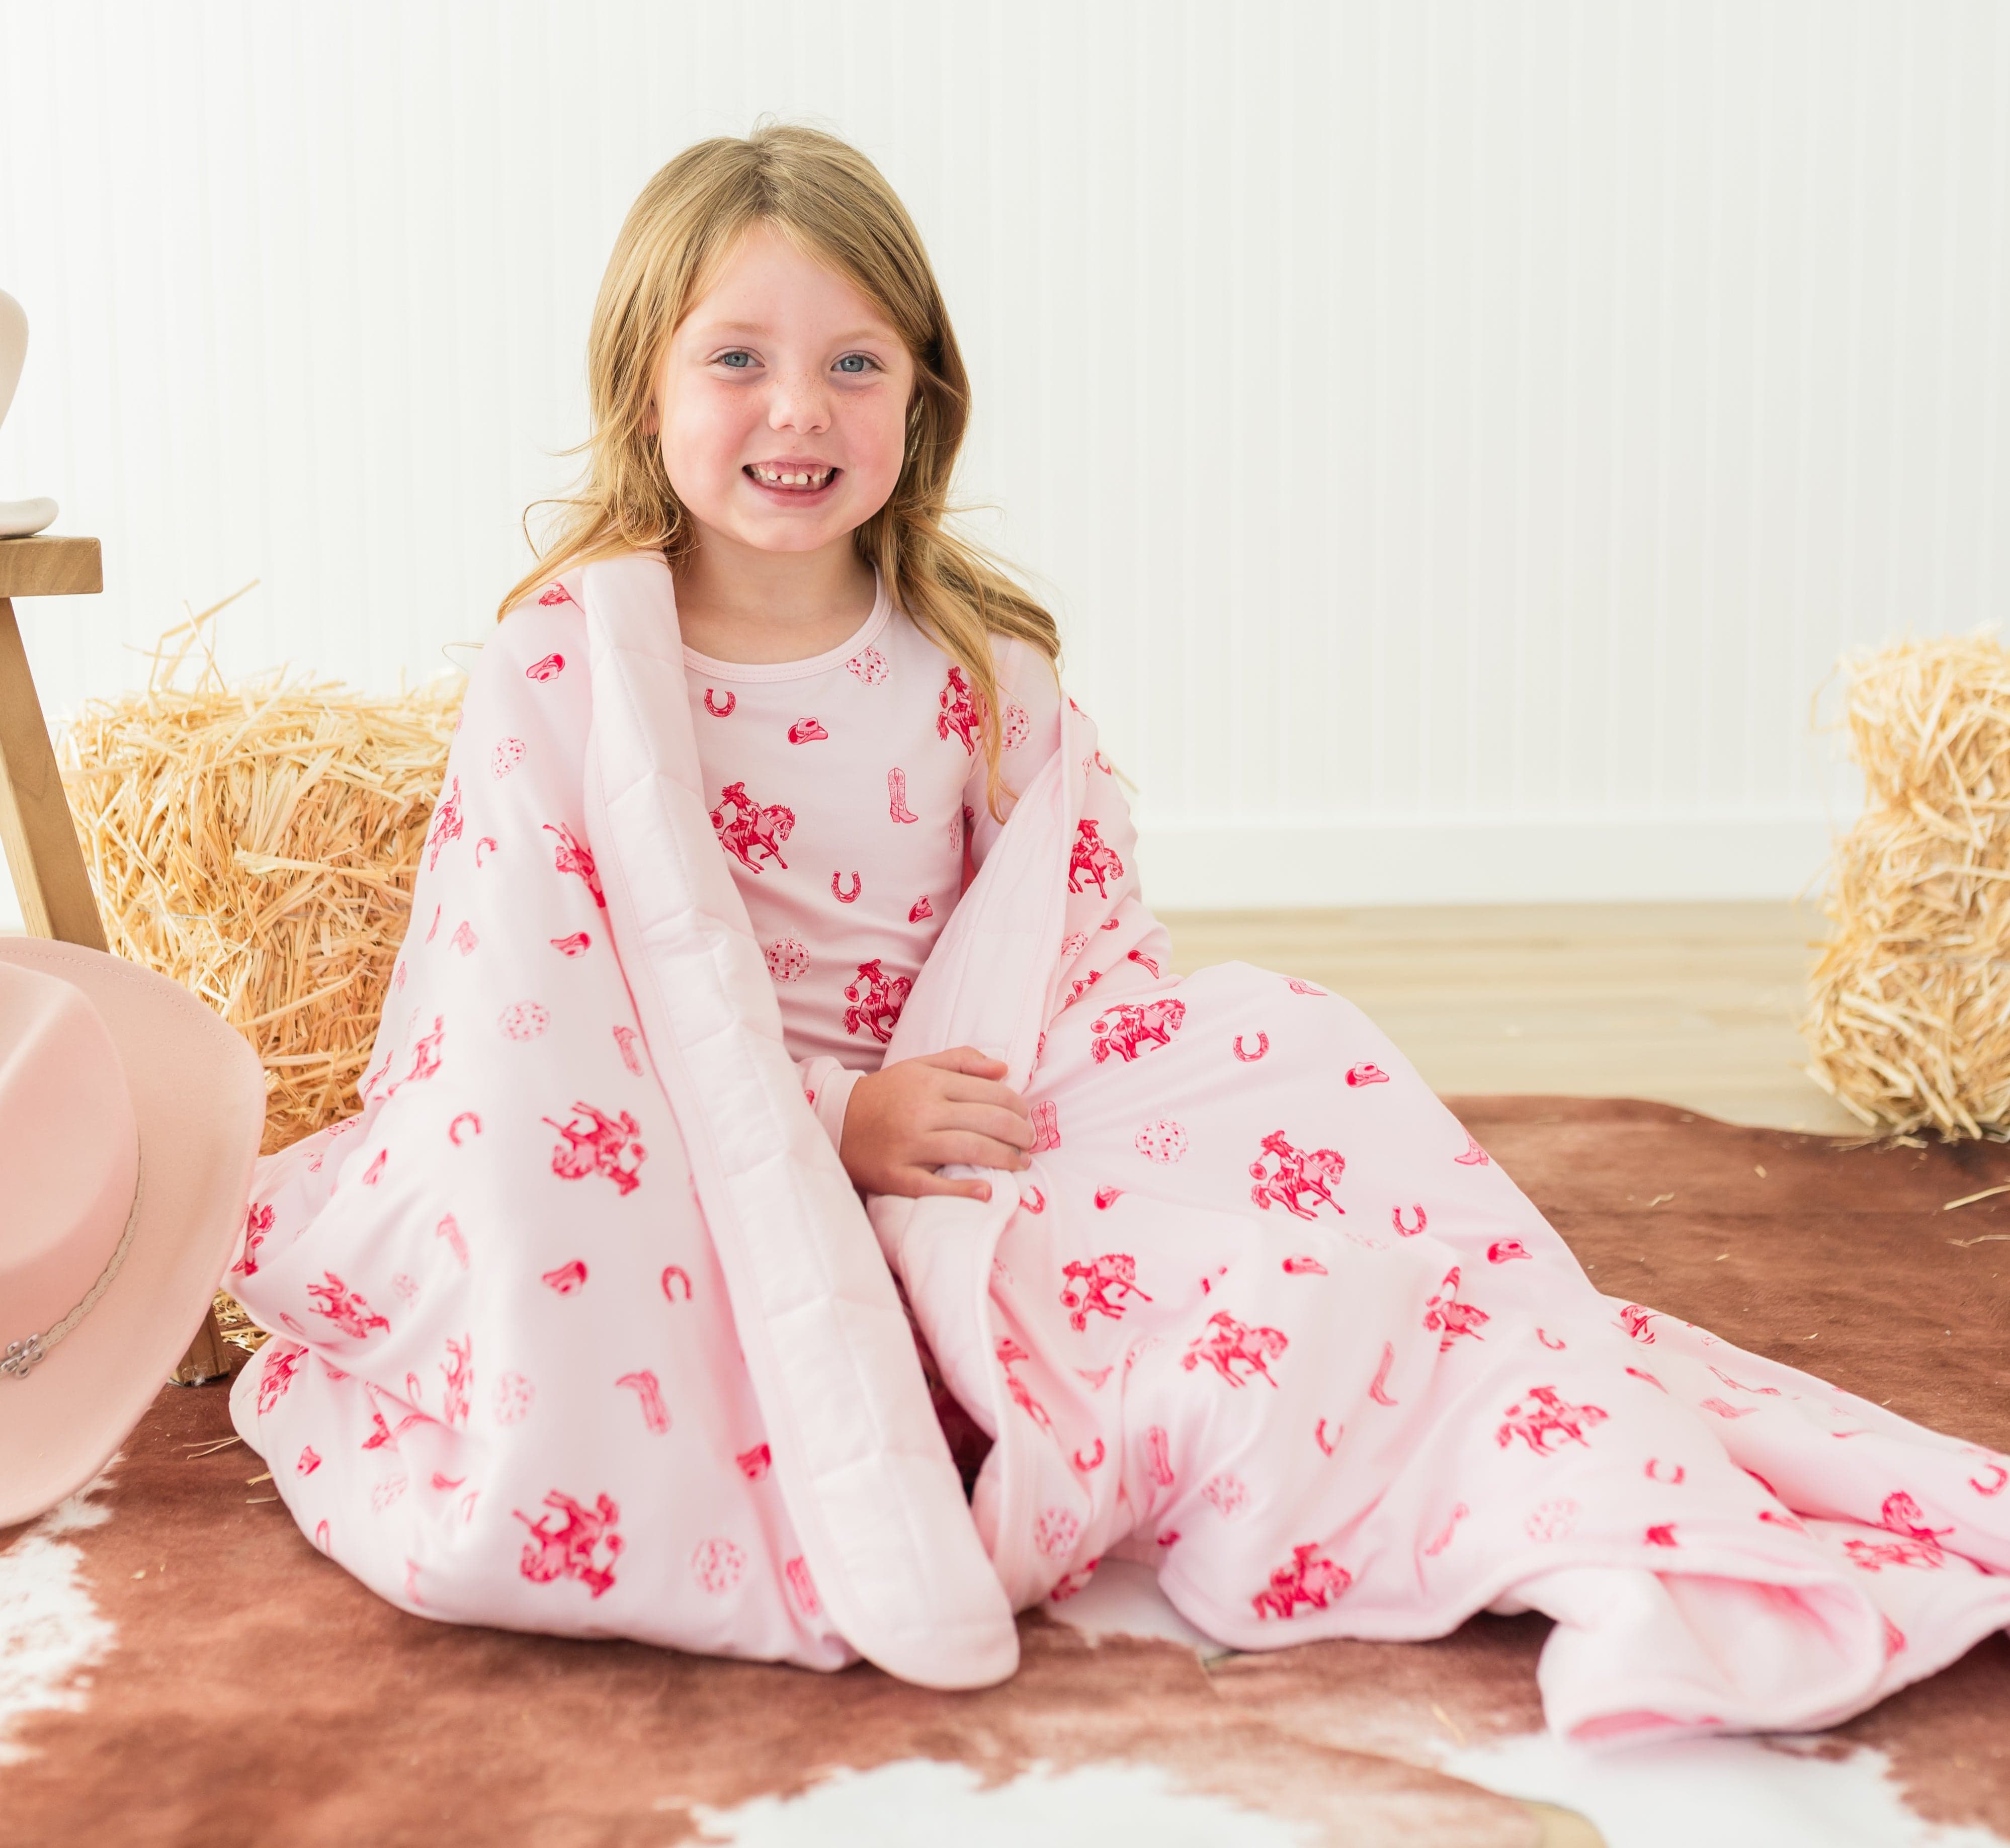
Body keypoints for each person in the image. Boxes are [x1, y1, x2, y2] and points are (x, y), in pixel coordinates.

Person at [229, 126, 2010, 1738]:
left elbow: (1074, 943)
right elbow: (529, 991)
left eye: (856, 363)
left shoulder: (970, 669)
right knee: (557, 1235)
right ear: (642, 386)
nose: (799, 412)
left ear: (922, 400)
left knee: (1289, 1187)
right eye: (740, 359)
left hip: (967, 1096)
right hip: (686, 1138)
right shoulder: (574, 661)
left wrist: (970, 1107)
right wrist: (825, 1126)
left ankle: (1575, 1492)